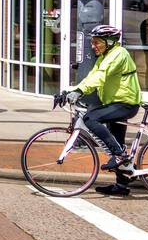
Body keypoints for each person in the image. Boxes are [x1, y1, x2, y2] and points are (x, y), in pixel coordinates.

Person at [57, 25, 143, 195]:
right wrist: (68, 91)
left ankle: (119, 156)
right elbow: (91, 77)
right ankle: (122, 185)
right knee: (116, 141)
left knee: (91, 118)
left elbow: (100, 76)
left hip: (125, 103)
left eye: (97, 42)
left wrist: (79, 92)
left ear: (109, 42)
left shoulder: (119, 54)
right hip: (115, 103)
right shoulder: (105, 56)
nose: (93, 45)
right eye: (93, 42)